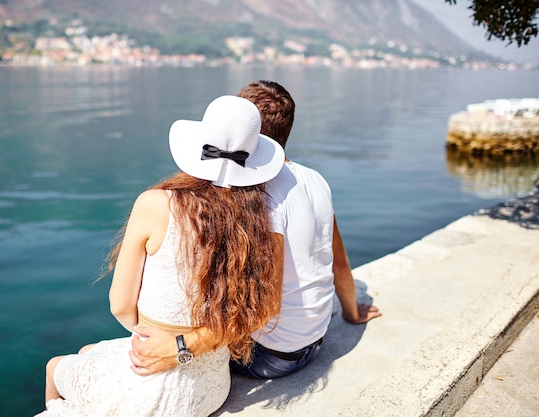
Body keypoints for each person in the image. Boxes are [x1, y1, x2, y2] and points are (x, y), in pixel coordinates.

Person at [35, 95, 286, 417]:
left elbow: (121, 306)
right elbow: (265, 309)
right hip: (210, 386)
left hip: (150, 391)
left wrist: (160, 340)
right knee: (90, 351)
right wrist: (184, 346)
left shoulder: (156, 204)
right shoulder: (264, 216)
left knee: (55, 365)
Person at [129, 80, 382, 380]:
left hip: (272, 357)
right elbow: (339, 265)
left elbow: (264, 306)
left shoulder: (261, 197)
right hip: (316, 339)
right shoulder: (316, 179)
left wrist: (179, 346)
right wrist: (352, 314)